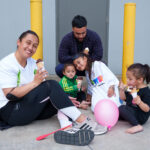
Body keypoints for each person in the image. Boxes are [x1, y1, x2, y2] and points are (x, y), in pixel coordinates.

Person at [0, 30, 107, 146]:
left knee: (59, 101)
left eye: (35, 46)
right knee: (51, 85)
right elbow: (10, 94)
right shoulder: (7, 64)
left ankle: (68, 128)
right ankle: (82, 121)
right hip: (12, 112)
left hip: (28, 108)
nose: (31, 48)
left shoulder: (34, 63)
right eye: (28, 43)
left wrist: (63, 99)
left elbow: (45, 92)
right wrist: (35, 83)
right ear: (18, 42)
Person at [119, 63, 150, 134]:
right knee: (117, 110)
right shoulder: (132, 87)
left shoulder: (146, 91)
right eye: (127, 78)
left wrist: (139, 102)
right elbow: (123, 98)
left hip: (140, 117)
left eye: (130, 79)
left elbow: (147, 109)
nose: (127, 81)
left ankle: (137, 125)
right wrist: (121, 90)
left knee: (122, 108)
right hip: (131, 112)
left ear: (140, 80)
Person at [57, 63, 90, 128]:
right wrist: (76, 87)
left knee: (82, 93)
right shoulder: (64, 80)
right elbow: (66, 89)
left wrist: (80, 88)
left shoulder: (75, 78)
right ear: (64, 73)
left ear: (75, 72)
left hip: (74, 95)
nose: (71, 73)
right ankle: (79, 105)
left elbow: (77, 88)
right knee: (66, 95)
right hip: (67, 95)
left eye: (73, 71)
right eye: (68, 72)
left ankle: (82, 102)